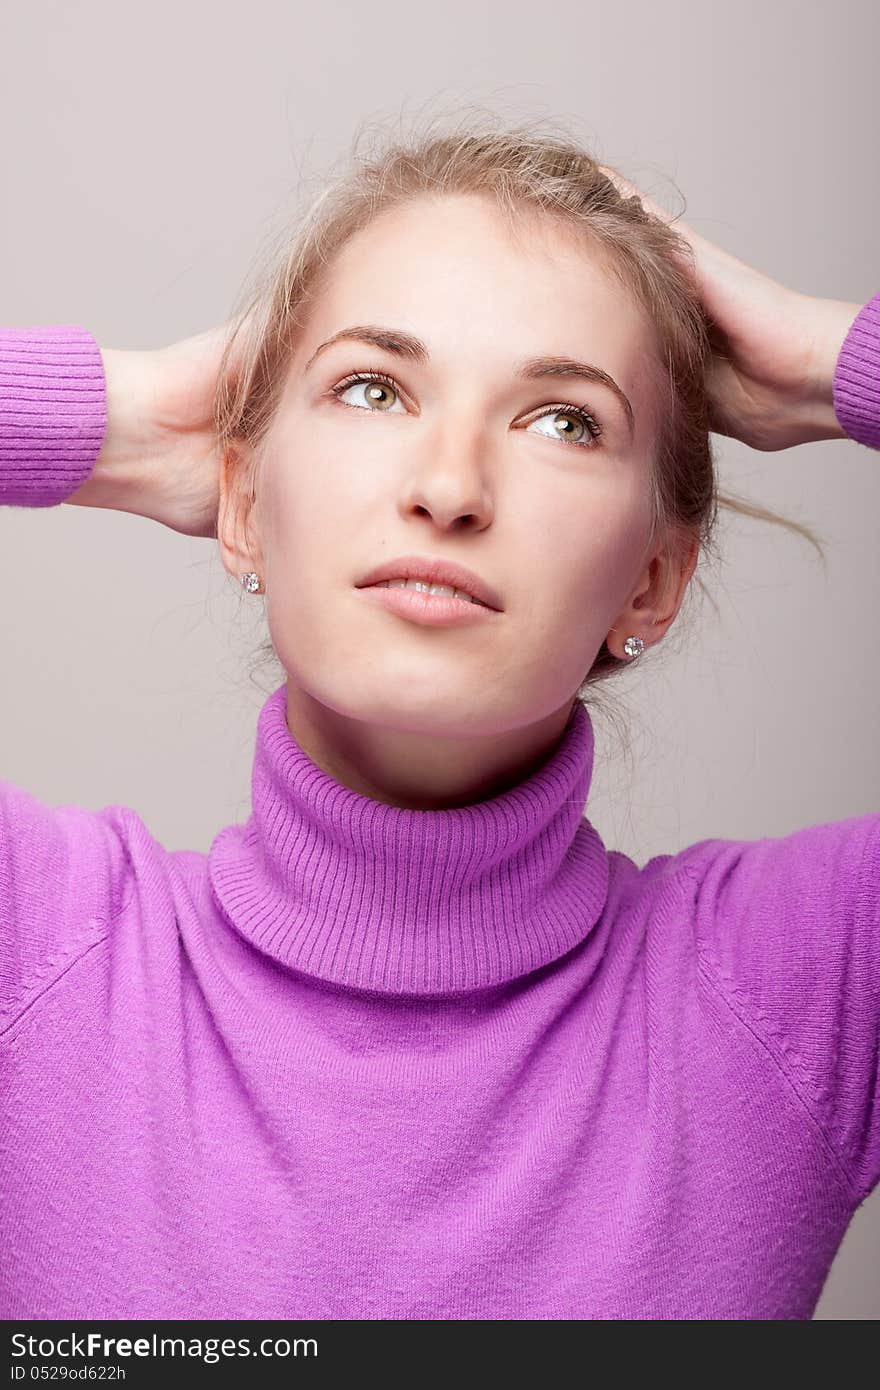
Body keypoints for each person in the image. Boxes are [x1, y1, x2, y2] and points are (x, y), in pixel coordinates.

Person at [1, 121, 878, 1322]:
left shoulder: (806, 984)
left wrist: (834, 361)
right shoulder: (38, 952)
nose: (450, 486)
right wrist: (114, 414)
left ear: (652, 582)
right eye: (373, 388)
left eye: (564, 419)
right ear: (246, 504)